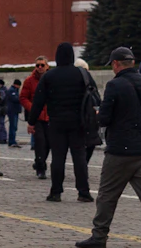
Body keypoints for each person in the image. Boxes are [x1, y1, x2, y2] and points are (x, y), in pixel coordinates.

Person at [77, 47, 141, 246]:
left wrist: (98, 115)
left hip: (120, 149)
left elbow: (105, 118)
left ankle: (99, 235)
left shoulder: (114, 85)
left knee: (107, 194)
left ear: (116, 64)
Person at [31, 43, 94, 204]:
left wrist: (32, 121)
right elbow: (93, 95)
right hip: (78, 121)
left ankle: (56, 191)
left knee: (58, 158)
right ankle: (84, 191)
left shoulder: (49, 76)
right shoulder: (81, 74)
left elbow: (38, 101)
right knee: (79, 157)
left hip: (57, 122)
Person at [21, 56, 50, 175]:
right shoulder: (29, 81)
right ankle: (40, 167)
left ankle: (39, 162)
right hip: (36, 117)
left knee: (49, 142)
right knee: (40, 142)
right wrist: (33, 108)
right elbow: (23, 97)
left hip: (49, 116)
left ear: (47, 66)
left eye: (42, 65)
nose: (40, 67)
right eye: (38, 65)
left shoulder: (51, 79)